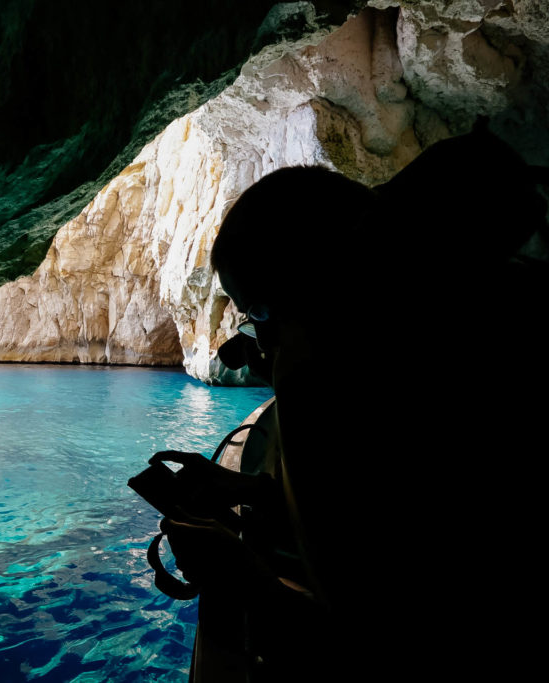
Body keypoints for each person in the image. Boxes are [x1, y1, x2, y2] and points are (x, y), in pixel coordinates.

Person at [160, 121, 549, 682]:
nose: (260, 343)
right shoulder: (490, 323)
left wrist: (238, 578)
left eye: (261, 314)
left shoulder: (322, 374)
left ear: (307, 287)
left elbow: (378, 645)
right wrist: (260, 494)